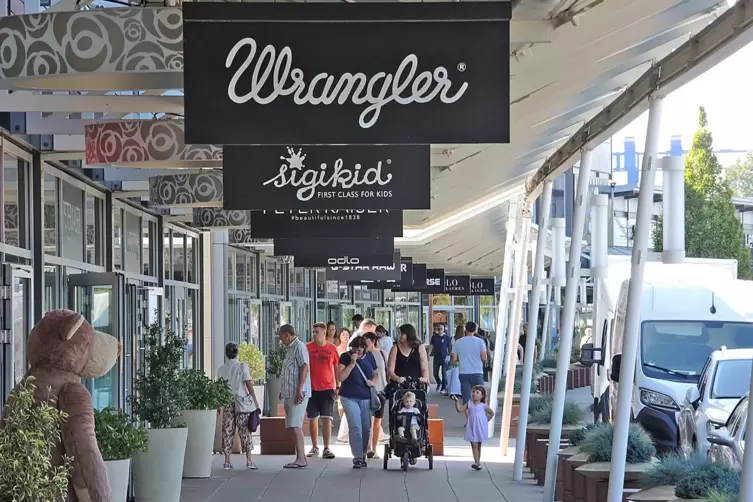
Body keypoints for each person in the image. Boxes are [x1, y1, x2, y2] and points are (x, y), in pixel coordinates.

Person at [216, 342, 259, 470]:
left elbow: (220, 388)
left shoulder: (221, 369)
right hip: (242, 402)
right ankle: (249, 460)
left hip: (227, 401)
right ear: (237, 353)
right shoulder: (242, 366)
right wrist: (255, 401)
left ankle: (227, 461)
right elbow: (248, 384)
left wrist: (218, 404)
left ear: (226, 354)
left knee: (228, 430)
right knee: (244, 430)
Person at [337, 336, 379, 469]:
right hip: (348, 396)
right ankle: (357, 457)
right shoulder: (345, 357)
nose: (358, 351)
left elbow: (375, 373)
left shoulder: (370, 357)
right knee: (355, 426)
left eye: (361, 349)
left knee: (366, 427)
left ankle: (363, 453)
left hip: (365, 396)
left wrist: (373, 382)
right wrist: (351, 364)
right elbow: (340, 377)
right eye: (356, 348)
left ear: (365, 348)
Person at [278, 324, 311, 469]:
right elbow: (289, 371)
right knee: (292, 425)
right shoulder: (291, 348)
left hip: (298, 392)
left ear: (287, 334)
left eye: (281, 337)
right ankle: (300, 457)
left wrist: (300, 389)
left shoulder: (299, 346)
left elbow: (304, 367)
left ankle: (301, 458)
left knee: (295, 425)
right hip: (290, 391)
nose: (281, 340)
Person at [306, 322, 339, 459]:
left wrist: (338, 386)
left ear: (324, 333)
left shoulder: (331, 348)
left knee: (327, 418)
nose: (314, 334)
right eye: (313, 332)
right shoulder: (307, 347)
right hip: (311, 388)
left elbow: (336, 367)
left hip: (327, 388)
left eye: (317, 332)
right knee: (312, 418)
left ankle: (326, 447)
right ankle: (314, 446)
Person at [451, 385, 494, 470]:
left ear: (482, 395)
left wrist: (485, 422)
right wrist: (456, 401)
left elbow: (491, 413)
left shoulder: (483, 405)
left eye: (477, 392)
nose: (474, 394)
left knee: (479, 445)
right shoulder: (469, 403)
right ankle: (476, 462)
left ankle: (478, 462)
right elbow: (459, 409)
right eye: (473, 392)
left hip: (480, 427)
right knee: (474, 444)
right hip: (471, 426)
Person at [362, 331, 388, 459]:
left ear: (373, 341)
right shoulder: (363, 356)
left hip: (381, 390)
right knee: (367, 420)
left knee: (378, 420)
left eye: (367, 341)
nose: (364, 344)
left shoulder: (382, 353)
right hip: (367, 391)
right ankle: (368, 448)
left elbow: (388, 370)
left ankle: (374, 447)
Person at [451, 321, 488, 404]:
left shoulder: (458, 342)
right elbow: (484, 357)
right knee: (480, 396)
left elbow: (454, 358)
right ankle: (479, 414)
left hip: (464, 372)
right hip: (477, 371)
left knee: (466, 397)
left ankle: (468, 416)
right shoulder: (480, 341)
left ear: (465, 329)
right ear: (475, 330)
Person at [430, 325, 451, 394]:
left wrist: (449, 356)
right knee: (435, 373)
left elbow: (449, 347)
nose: (440, 330)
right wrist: (428, 354)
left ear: (444, 329)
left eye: (441, 329)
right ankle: (439, 383)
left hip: (444, 358)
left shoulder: (447, 338)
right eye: (438, 329)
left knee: (444, 373)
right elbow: (431, 346)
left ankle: (443, 388)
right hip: (436, 357)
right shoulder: (434, 337)